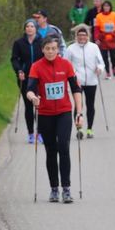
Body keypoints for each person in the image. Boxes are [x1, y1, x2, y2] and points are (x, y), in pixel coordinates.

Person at [26, 36, 84, 203]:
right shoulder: (36, 66)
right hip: (45, 114)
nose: (50, 52)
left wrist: (79, 113)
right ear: (42, 50)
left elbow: (76, 89)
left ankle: (66, 189)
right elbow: (29, 89)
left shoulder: (66, 65)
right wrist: (33, 98)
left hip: (64, 112)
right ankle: (54, 189)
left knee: (63, 146)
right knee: (51, 151)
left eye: (53, 48)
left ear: (58, 49)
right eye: (47, 49)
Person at [64, 24, 105, 138]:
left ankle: (90, 129)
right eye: (79, 35)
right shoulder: (71, 48)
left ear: (88, 36)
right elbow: (65, 63)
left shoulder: (94, 47)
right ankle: (79, 129)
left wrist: (99, 69)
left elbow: (101, 62)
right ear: (76, 36)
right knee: (78, 105)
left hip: (92, 80)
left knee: (90, 105)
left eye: (84, 35)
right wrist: (72, 74)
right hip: (77, 81)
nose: (82, 37)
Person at [10, 19, 46, 143]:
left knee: (40, 105)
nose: (29, 28)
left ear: (36, 28)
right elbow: (14, 59)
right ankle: (31, 133)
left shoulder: (42, 42)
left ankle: (40, 133)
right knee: (29, 105)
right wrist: (19, 70)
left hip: (40, 78)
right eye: (27, 26)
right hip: (25, 78)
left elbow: (47, 57)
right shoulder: (18, 43)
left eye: (32, 26)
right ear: (25, 29)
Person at [93, 0, 115, 78]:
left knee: (113, 56)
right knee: (104, 57)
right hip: (103, 39)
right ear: (102, 7)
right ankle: (108, 72)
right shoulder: (98, 16)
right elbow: (96, 29)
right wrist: (96, 38)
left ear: (110, 7)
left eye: (108, 6)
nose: (106, 7)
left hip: (113, 39)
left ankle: (113, 67)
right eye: (105, 6)